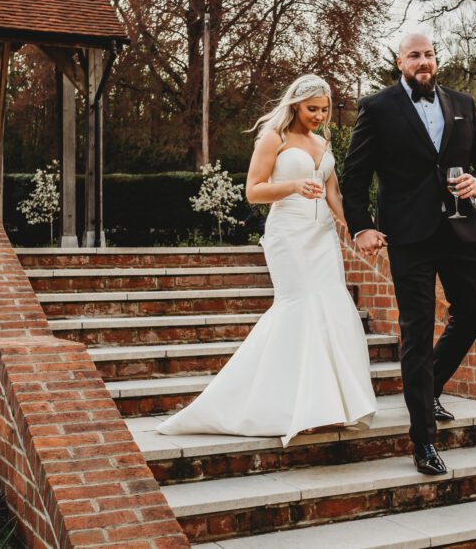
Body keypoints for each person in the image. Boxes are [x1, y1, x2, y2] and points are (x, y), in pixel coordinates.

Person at [158, 74, 376, 445]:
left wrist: (358, 230)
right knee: (300, 308)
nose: (319, 116)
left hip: (322, 237)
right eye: (312, 109)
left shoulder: (322, 143)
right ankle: (289, 406)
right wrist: (291, 186)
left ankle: (326, 406)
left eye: (324, 110)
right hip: (288, 236)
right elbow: (254, 191)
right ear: (294, 105)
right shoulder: (273, 137)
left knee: (332, 309)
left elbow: (333, 193)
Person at [342, 33, 476, 475]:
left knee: (472, 312)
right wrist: (360, 227)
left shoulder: (462, 103)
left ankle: (431, 385)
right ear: (400, 61)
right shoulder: (377, 108)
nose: (423, 61)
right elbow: (354, 176)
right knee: (416, 331)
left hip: (460, 230)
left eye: (429, 54)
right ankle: (423, 442)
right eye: (415, 55)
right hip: (409, 237)